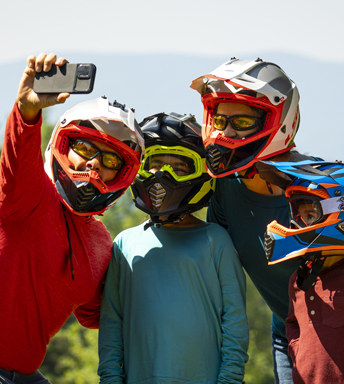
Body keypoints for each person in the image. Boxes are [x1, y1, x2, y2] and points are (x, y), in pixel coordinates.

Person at [0, 53, 144, 383]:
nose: (95, 165)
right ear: (63, 144)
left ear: (123, 174)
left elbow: (98, 315)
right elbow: (18, 152)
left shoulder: (101, 244)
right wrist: (28, 110)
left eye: (110, 160)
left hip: (19, 374)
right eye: (86, 149)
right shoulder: (27, 195)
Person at [190, 58, 319, 383]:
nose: (226, 132)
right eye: (220, 119)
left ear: (278, 121)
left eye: (243, 121)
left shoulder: (323, 187)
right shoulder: (223, 187)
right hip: (286, 330)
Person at [98, 112, 249, 384]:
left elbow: (235, 322)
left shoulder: (216, 240)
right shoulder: (124, 244)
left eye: (179, 168)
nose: (162, 175)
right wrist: (110, 378)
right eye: (154, 164)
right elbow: (112, 323)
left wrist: (230, 380)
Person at [264, 160, 344, 383]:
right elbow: (291, 323)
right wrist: (298, 350)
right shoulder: (299, 280)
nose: (301, 223)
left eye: (311, 214)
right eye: (300, 216)